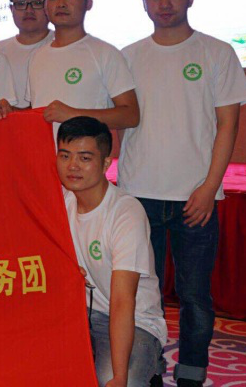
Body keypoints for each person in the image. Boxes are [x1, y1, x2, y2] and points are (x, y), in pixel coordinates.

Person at [118, 0, 246, 387]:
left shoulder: (216, 52)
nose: (165, 3)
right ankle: (150, 369)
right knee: (144, 294)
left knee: (195, 296)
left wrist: (210, 188)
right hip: (137, 195)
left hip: (196, 198)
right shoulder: (127, 56)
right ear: (143, 2)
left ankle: (192, 373)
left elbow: (228, 125)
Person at [57, 116, 167, 387]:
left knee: (117, 381)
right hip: (77, 313)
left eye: (85, 158)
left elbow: (122, 302)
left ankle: (149, 364)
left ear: (106, 163)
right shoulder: (60, 201)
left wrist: (119, 377)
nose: (72, 166)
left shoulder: (125, 213)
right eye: (65, 156)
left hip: (132, 320)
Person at [27, 0, 139, 130]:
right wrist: (7, 111)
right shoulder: (37, 56)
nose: (61, 4)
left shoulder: (105, 53)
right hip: (43, 148)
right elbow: (36, 113)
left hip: (86, 147)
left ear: (88, 3)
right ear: (45, 6)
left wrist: (72, 114)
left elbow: (131, 116)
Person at [0, 0, 54, 109]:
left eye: (37, 3)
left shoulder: (63, 45)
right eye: (21, 4)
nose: (29, 10)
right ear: (11, 9)